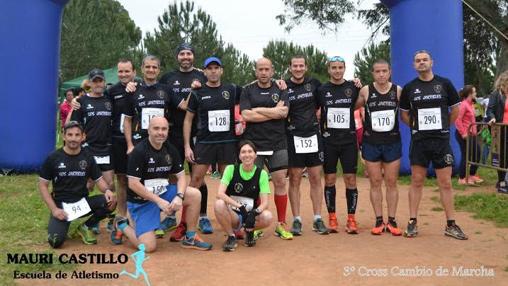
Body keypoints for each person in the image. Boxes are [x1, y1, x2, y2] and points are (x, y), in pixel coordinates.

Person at [112, 117, 212, 252]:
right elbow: (133, 184)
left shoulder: (170, 149)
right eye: (156, 128)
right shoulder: (139, 152)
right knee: (148, 247)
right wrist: (158, 201)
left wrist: (179, 196)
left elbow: (181, 176)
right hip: (141, 202)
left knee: (194, 194)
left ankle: (190, 237)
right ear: (148, 130)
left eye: (164, 129)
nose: (160, 132)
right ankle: (122, 225)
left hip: (162, 194)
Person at [400, 50, 467, 240]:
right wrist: (416, 127)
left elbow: (455, 109)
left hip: (441, 141)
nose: (421, 63)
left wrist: (445, 125)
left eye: (425, 60)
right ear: (414, 65)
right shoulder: (409, 88)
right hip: (419, 141)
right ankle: (412, 222)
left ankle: (451, 224)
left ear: (432, 62)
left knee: (445, 182)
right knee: (416, 181)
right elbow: (404, 115)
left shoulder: (444, 84)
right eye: (418, 61)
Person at [182, 56, 241, 237]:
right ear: (204, 71)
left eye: (217, 68)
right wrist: (187, 146)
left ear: (221, 70)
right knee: (195, 182)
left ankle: (234, 224)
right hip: (205, 143)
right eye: (210, 68)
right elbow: (188, 120)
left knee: (229, 183)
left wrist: (279, 82)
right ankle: (185, 224)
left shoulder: (232, 89)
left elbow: (255, 88)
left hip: (227, 143)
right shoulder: (197, 92)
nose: (213, 71)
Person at [160, 43, 213, 236]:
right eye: (181, 53)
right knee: (173, 176)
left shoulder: (202, 75)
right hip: (173, 133)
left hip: (198, 132)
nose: (185, 56)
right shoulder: (168, 78)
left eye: (188, 53)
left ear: (193, 56)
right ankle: (171, 217)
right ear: (177, 57)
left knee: (198, 177)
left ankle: (203, 216)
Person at [39, 121, 116, 248]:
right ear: (64, 136)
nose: (73, 139)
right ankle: (61, 223)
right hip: (62, 207)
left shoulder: (88, 157)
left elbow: (99, 180)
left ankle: (86, 227)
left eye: (76, 135)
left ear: (83, 137)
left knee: (111, 201)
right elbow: (42, 185)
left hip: (82, 204)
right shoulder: (53, 158)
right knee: (55, 242)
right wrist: (54, 210)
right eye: (70, 135)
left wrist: (107, 191)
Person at [240, 57, 293, 240]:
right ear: (256, 71)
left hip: (278, 142)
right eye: (260, 69)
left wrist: (259, 110)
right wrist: (272, 112)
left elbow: (284, 113)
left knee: (280, 182)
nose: (263, 72)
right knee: (254, 186)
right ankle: (255, 224)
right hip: (254, 144)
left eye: (267, 69)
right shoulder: (247, 89)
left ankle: (281, 224)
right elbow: (246, 115)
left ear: (272, 71)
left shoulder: (281, 88)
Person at [355, 59, 402, 236]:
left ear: (389, 72)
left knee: (391, 182)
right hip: (371, 142)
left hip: (392, 142)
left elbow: (408, 110)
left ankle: (392, 220)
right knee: (375, 182)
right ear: (372, 73)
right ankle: (378, 219)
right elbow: (351, 105)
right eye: (377, 71)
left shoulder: (397, 91)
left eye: (384, 71)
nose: (381, 74)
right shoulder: (366, 91)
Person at [317, 56, 361, 234]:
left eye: (340, 67)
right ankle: (332, 217)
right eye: (333, 67)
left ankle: (351, 218)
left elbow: (361, 102)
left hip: (349, 140)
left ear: (345, 68)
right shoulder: (321, 90)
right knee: (329, 179)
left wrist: (358, 82)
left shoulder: (353, 87)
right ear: (328, 70)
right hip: (329, 141)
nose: (337, 70)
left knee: (351, 179)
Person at [284, 55, 328, 236]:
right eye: (295, 66)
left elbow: (325, 102)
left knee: (315, 178)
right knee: (294, 178)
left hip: (313, 136)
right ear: (290, 68)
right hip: (294, 136)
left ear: (306, 67)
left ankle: (317, 218)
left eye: (301, 66)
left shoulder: (315, 83)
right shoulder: (284, 86)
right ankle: (297, 219)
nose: (298, 68)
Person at [214, 140, 273, 251]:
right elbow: (220, 193)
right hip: (233, 214)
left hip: (250, 215)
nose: (247, 155)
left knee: (268, 216)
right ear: (239, 156)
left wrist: (254, 213)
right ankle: (231, 236)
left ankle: (248, 230)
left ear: (255, 155)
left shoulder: (262, 174)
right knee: (219, 204)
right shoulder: (231, 169)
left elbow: (265, 203)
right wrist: (240, 207)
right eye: (243, 152)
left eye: (250, 151)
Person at [69, 68, 115, 198]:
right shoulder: (81, 102)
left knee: (110, 185)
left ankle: (104, 209)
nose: (98, 84)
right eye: (95, 81)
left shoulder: (109, 100)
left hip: (105, 148)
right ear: (89, 83)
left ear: (104, 82)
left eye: (100, 81)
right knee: (88, 184)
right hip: (88, 148)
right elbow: (75, 126)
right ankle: (82, 207)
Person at [455, 85, 483, 185]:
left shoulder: (472, 104)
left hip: (472, 134)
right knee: (466, 154)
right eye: (475, 92)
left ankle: (472, 175)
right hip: (463, 134)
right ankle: (461, 178)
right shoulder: (463, 104)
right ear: (470, 94)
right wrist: (463, 133)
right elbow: (458, 120)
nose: (476, 94)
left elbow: (476, 118)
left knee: (477, 153)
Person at [486, 70, 508, 194]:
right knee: (502, 157)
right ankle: (502, 182)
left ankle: (503, 180)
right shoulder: (496, 94)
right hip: (500, 129)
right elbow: (490, 110)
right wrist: (492, 117)